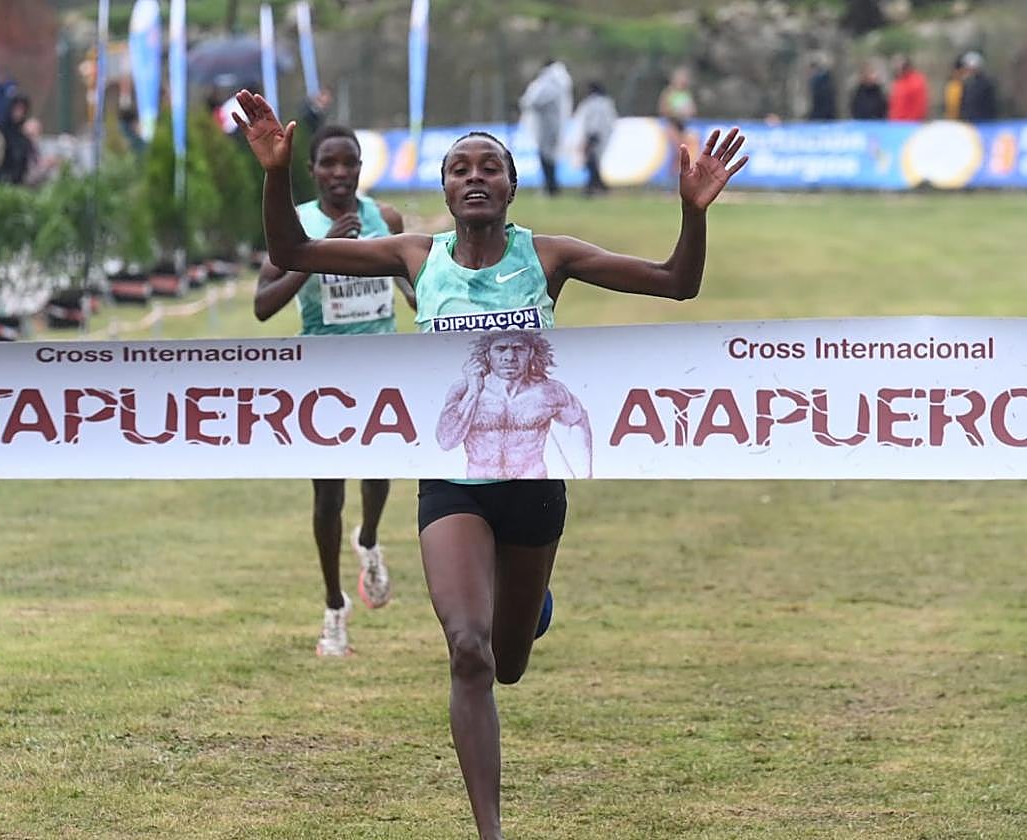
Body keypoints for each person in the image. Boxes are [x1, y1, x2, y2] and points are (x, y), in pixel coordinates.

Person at [233, 88, 748, 840]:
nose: (474, 177)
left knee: (508, 661)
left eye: (490, 168)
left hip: (533, 486)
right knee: (468, 654)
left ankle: (528, 605)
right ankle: (491, 831)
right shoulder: (417, 255)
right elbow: (292, 255)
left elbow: (678, 282)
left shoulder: (549, 257)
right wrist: (278, 173)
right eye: (459, 168)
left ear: (510, 186)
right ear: (445, 189)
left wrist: (694, 213)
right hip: (452, 483)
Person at [253, 124, 415, 657]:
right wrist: (315, 252)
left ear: (361, 169)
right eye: (329, 163)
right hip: (322, 370)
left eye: (350, 163)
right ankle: (333, 608)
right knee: (327, 494)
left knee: (378, 473)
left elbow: (412, 287)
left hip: (383, 362)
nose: (340, 173)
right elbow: (263, 304)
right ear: (313, 170)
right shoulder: (296, 222)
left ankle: (368, 540)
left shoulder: (384, 219)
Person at [438, 332, 592, 479]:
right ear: (487, 354)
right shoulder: (464, 389)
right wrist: (473, 392)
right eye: (500, 349)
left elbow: (578, 419)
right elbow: (446, 442)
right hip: (479, 483)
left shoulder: (549, 391)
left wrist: (585, 472)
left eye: (519, 349)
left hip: (533, 483)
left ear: (531, 353)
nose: (510, 357)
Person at [518, 58, 573, 196]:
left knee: (547, 157)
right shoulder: (559, 82)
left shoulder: (551, 84)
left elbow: (535, 100)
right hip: (551, 126)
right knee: (548, 157)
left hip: (548, 127)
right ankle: (551, 187)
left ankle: (551, 188)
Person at [571, 81, 617, 196]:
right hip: (600, 136)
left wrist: (591, 137)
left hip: (595, 136)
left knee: (592, 162)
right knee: (593, 162)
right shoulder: (606, 103)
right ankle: (599, 186)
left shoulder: (595, 104)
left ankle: (593, 187)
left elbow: (594, 122)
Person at [657, 67, 697, 178]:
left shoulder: (686, 93)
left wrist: (688, 112)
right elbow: (663, 110)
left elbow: (693, 109)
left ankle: (680, 178)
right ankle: (672, 179)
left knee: (683, 154)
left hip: (683, 125)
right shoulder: (669, 92)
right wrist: (677, 112)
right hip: (672, 124)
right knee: (677, 151)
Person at [959, 51, 997, 123]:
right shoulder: (966, 84)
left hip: (983, 122)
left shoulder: (986, 84)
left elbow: (990, 106)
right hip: (969, 122)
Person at [888, 56, 929, 121]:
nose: (896, 69)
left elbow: (919, 107)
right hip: (895, 124)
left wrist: (911, 122)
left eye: (898, 67)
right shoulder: (898, 82)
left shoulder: (916, 81)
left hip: (909, 125)